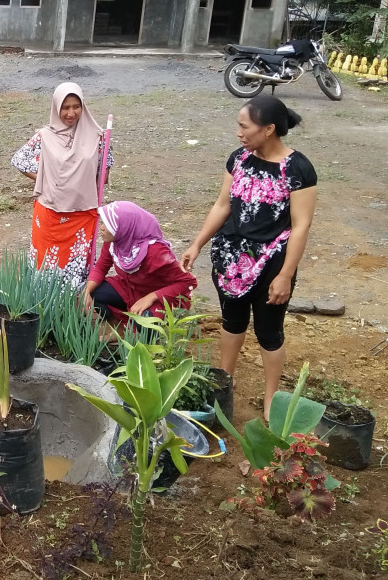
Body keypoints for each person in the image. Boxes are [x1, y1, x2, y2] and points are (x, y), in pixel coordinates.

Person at [180, 96, 317, 421]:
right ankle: (224, 383)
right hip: (231, 258)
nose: (239, 133)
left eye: (245, 126)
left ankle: (271, 401)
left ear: (268, 129)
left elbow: (301, 226)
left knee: (269, 332)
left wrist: (285, 275)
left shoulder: (298, 169)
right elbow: (222, 205)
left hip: (271, 262)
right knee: (232, 321)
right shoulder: (239, 159)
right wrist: (197, 244)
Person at [11, 82, 113, 287]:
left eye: (76, 106)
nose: (71, 113)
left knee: (77, 266)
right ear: (56, 107)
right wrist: (45, 179)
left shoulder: (98, 136)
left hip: (82, 213)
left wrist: (80, 181)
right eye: (65, 107)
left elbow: (104, 175)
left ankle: (75, 302)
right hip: (50, 213)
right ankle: (44, 302)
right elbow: (19, 160)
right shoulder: (45, 136)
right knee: (47, 265)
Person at [82, 201, 197, 326]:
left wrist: (151, 297)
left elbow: (188, 282)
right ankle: (119, 327)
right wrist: (87, 291)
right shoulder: (114, 243)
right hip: (132, 289)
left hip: (163, 296)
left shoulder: (154, 252)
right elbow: (101, 267)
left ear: (124, 227)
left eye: (108, 224)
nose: (102, 227)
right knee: (96, 292)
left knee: (144, 319)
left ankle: (144, 334)